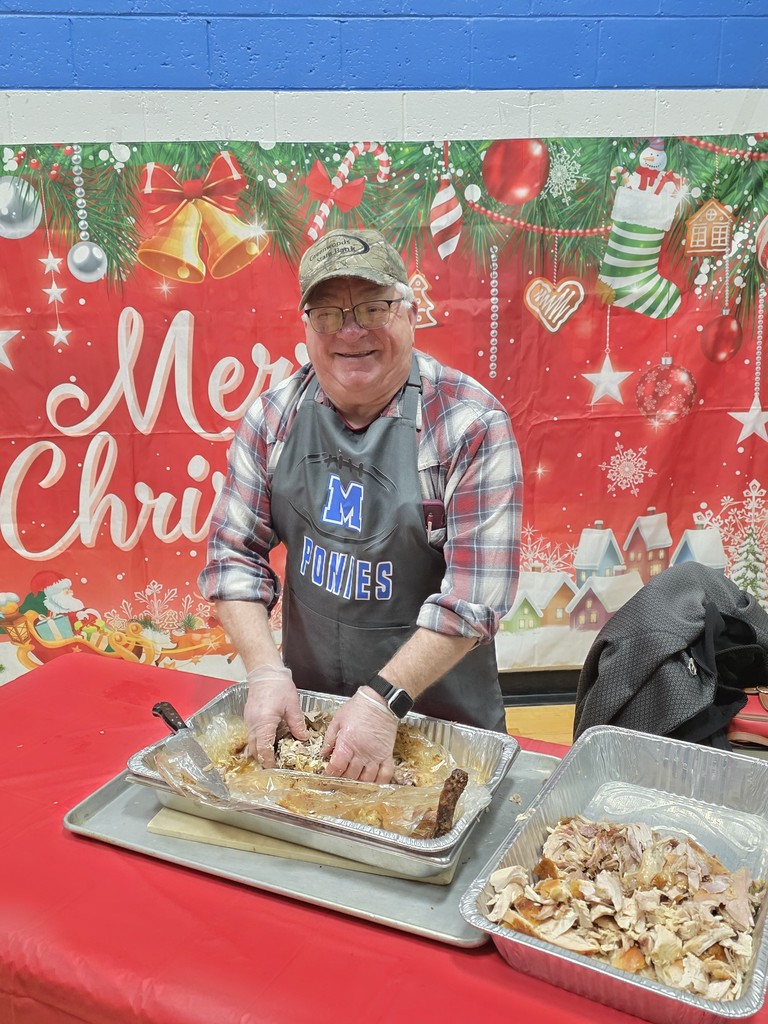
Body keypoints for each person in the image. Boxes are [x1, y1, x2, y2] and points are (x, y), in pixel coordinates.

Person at [199, 227, 522, 784]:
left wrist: (380, 702)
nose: (350, 332)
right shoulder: (273, 417)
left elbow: (476, 598)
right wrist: (265, 671)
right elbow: (233, 556)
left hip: (440, 729)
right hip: (312, 723)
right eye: (327, 315)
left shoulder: (470, 426)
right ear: (306, 327)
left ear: (410, 313)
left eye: (373, 308)